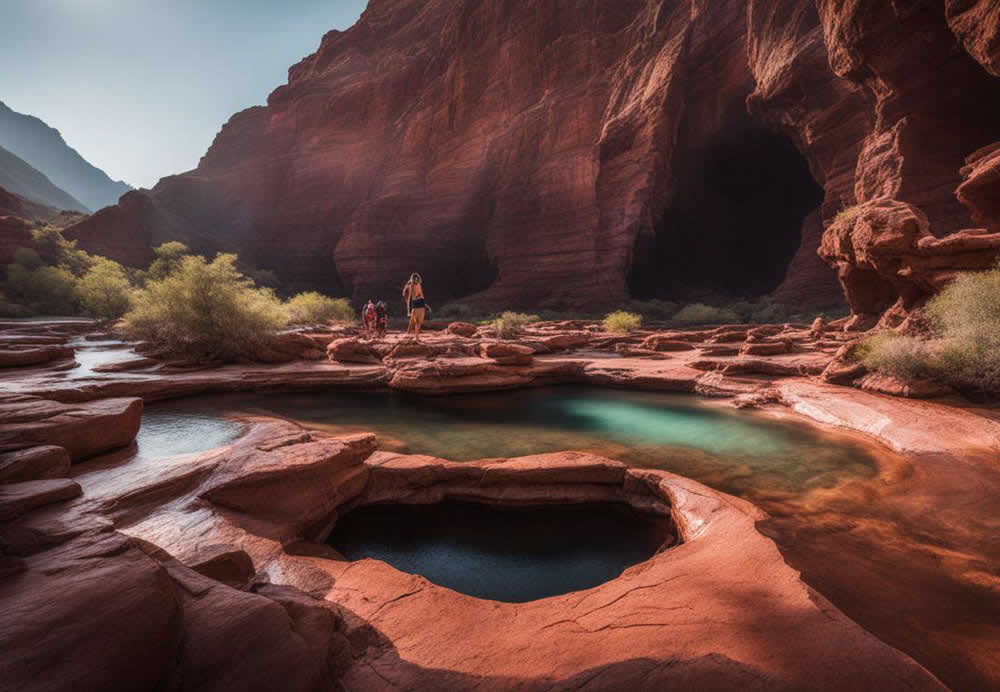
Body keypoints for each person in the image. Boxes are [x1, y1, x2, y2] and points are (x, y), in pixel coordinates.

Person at [402, 273, 428, 342]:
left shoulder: (419, 284)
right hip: (415, 303)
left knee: (419, 322)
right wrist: (408, 310)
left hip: (421, 303)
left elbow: (422, 295)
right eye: (414, 278)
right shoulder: (411, 286)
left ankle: (416, 337)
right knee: (415, 321)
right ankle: (411, 336)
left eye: (417, 278)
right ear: (412, 279)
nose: (416, 279)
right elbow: (408, 298)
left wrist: (425, 305)